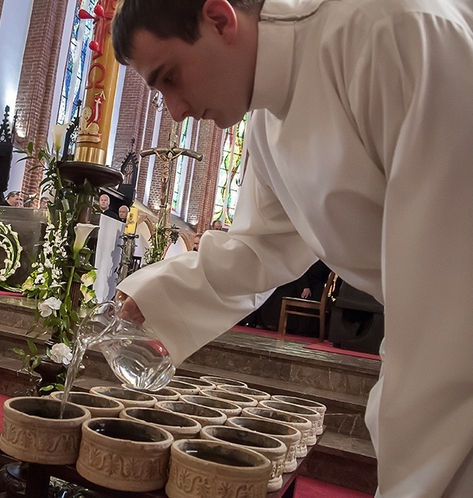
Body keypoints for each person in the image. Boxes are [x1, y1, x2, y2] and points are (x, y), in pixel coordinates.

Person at [111, 1, 473, 496]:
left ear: (219, 18)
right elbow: (261, 247)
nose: (177, 111)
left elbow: (450, 293)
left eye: (170, 77)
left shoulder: (390, 30)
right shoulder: (265, 124)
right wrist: (154, 296)